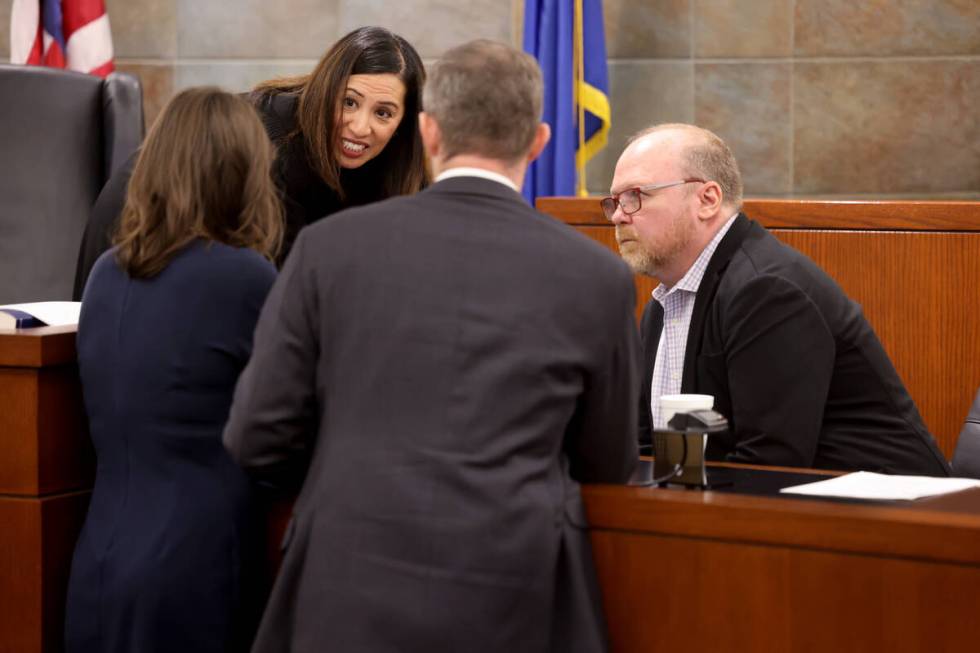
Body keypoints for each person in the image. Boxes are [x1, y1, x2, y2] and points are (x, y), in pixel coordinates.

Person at [223, 40, 639, 653]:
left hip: (343, 582)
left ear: (428, 132)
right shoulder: (598, 277)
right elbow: (608, 463)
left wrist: (344, 483)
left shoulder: (328, 250)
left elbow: (257, 432)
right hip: (514, 596)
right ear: (539, 142)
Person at [64, 87, 284, 653]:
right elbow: (286, 428)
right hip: (197, 565)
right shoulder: (244, 277)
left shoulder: (107, 274)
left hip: (97, 563)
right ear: (244, 169)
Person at [605, 123, 950, 476]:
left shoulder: (767, 291)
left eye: (636, 196)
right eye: (614, 201)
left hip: (890, 512)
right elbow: (653, 449)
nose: (618, 215)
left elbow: (769, 465)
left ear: (707, 200)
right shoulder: (664, 303)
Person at [73, 25, 427, 298]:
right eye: (349, 102)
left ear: (405, 123)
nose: (360, 126)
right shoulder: (276, 149)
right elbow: (285, 300)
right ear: (326, 89)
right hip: (135, 248)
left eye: (383, 113)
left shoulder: (394, 162)